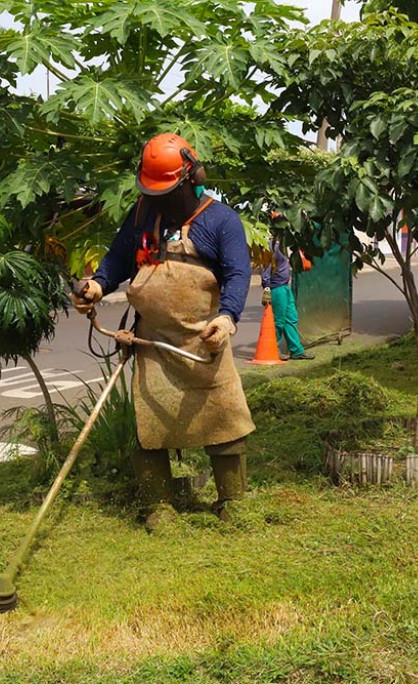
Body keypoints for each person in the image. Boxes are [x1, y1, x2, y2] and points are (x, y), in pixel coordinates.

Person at [72, 133, 255, 525]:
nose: (158, 198)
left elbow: (239, 274)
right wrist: (98, 285)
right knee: (149, 425)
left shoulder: (221, 221)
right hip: (152, 342)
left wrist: (227, 319)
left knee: (224, 420)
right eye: (151, 190)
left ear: (190, 178)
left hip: (203, 341)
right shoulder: (142, 215)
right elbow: (119, 258)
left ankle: (233, 500)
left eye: (166, 191)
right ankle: (158, 504)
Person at [261, 235, 314, 361]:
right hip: (276, 289)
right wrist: (266, 287)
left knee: (291, 318)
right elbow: (265, 267)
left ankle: (296, 351)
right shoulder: (270, 245)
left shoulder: (285, 244)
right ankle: (273, 350)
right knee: (279, 321)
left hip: (285, 287)